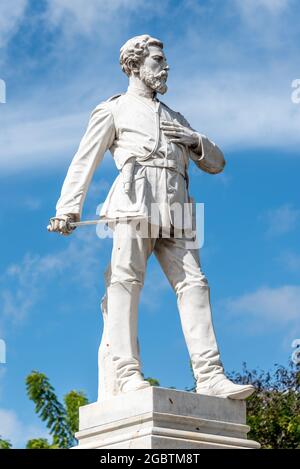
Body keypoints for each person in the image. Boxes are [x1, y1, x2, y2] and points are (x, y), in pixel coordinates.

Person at [48, 35, 254, 400]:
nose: (165, 67)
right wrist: (68, 207)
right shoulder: (113, 109)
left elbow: (217, 164)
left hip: (177, 204)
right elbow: (85, 160)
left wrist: (194, 140)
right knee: (125, 282)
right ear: (134, 65)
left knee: (195, 284)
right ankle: (127, 373)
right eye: (158, 61)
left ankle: (210, 375)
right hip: (134, 198)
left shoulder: (176, 116)